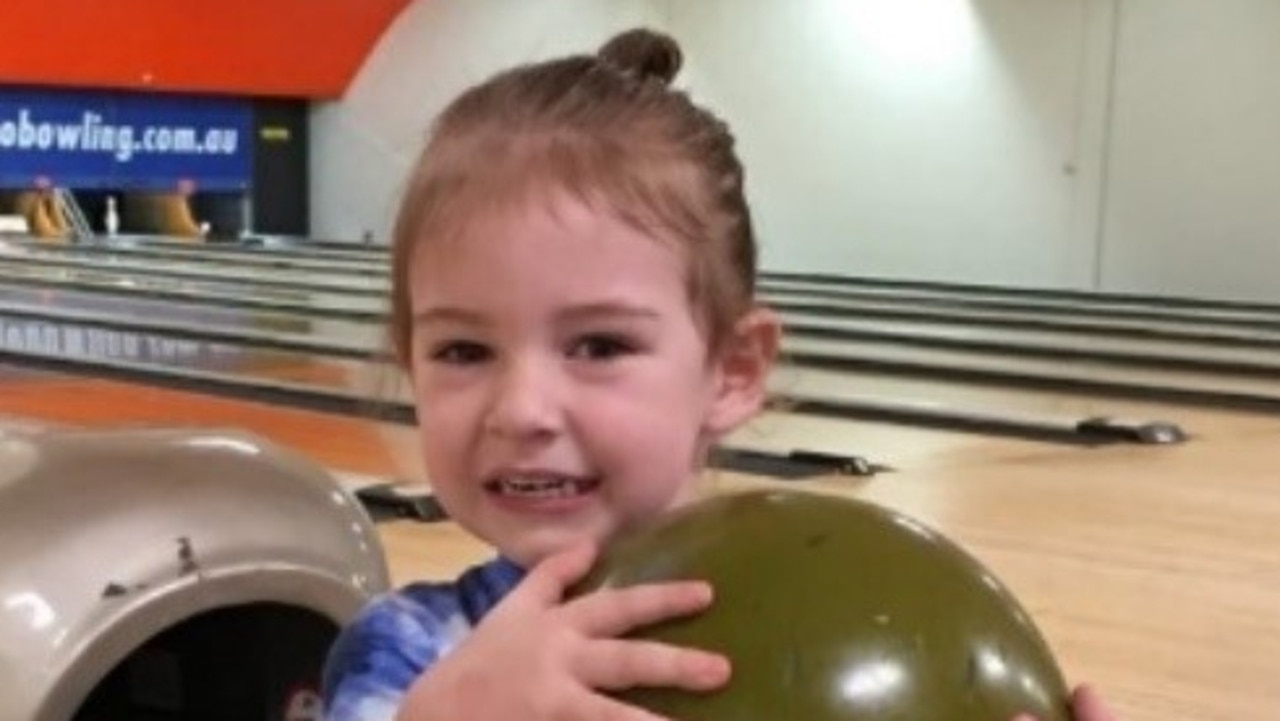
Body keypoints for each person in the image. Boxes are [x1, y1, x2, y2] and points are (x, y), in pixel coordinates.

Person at [322, 28, 1119, 721]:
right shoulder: (409, 652)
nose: (522, 409)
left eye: (599, 346)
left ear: (734, 369)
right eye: (463, 351)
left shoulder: (852, 611)